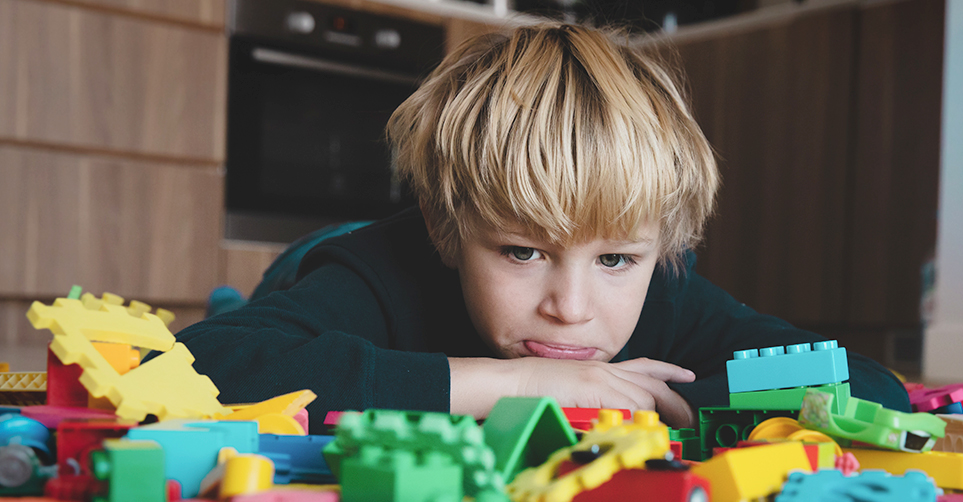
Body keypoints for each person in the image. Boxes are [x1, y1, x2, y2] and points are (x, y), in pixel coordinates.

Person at [177, 23, 908, 432]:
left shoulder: (666, 296)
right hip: (330, 258)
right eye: (524, 251)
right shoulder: (380, 273)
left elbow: (868, 384)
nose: (573, 306)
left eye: (617, 259)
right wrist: (520, 380)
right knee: (245, 315)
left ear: (659, 249)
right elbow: (205, 365)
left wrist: (683, 405)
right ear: (446, 226)